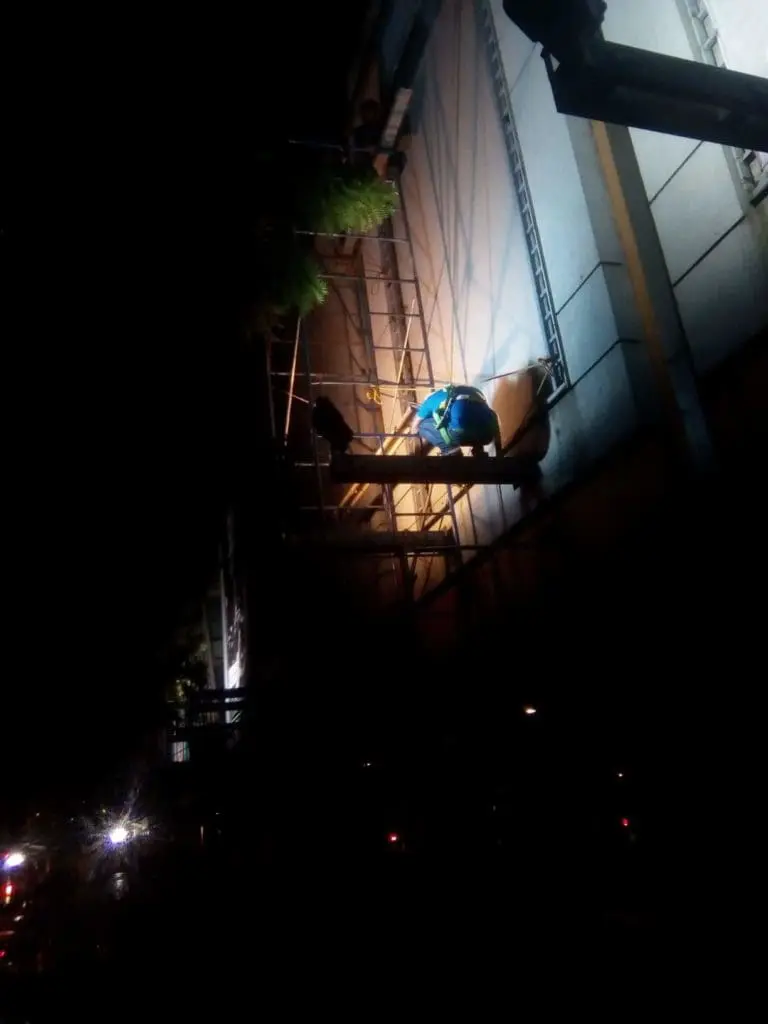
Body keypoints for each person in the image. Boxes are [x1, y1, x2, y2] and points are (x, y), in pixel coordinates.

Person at [413, 385, 503, 458]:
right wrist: (499, 450)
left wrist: (414, 432)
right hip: (487, 436)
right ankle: (478, 449)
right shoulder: (464, 392)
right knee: (471, 418)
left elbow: (415, 425)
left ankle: (450, 450)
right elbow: (491, 415)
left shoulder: (429, 401)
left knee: (422, 426)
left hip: (461, 435)